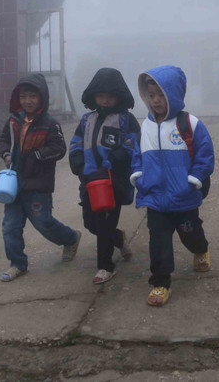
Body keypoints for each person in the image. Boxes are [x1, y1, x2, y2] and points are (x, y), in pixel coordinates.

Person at [130, 65, 215, 306]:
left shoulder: (190, 124)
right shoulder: (145, 127)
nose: (156, 100)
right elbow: (136, 155)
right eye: (151, 95)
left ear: (173, 94)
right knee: (158, 241)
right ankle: (160, 283)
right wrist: (138, 176)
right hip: (155, 197)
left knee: (191, 234)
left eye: (161, 94)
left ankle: (201, 249)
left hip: (183, 197)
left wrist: (193, 180)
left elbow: (205, 155)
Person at [0, 73, 82, 282]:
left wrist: (36, 155)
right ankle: (18, 264)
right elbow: (3, 140)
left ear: (42, 97)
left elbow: (59, 149)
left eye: (33, 96)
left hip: (38, 184)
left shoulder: (50, 124)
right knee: (10, 226)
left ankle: (71, 238)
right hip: (13, 184)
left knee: (43, 223)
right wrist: (6, 154)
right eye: (23, 96)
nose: (28, 101)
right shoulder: (13, 121)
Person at [69, 68, 140, 284]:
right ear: (93, 96)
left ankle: (105, 267)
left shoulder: (125, 120)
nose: (105, 100)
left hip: (112, 181)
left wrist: (118, 158)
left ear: (120, 96)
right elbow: (76, 143)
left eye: (110, 96)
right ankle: (119, 238)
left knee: (105, 223)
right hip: (89, 180)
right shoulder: (86, 120)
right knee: (91, 223)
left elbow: (133, 143)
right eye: (101, 95)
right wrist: (78, 163)